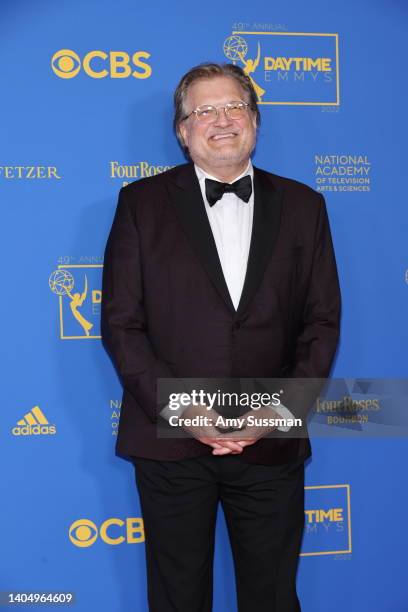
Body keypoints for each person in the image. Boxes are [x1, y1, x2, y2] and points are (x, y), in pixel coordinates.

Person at [101, 62, 341, 612]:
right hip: (170, 444)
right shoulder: (139, 204)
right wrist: (183, 410)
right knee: (178, 598)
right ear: (183, 132)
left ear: (254, 120)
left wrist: (275, 413)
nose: (222, 120)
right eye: (203, 110)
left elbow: (322, 322)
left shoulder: (306, 206)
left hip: (270, 444)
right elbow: (121, 323)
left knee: (273, 598)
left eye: (234, 106)